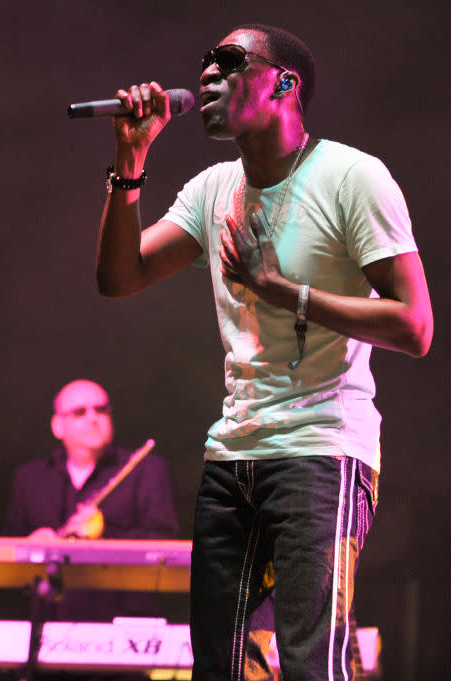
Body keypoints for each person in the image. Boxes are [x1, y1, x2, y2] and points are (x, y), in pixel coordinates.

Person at [93, 23, 432, 681]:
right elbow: (119, 277)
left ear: (284, 83)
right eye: (204, 65)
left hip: (323, 449)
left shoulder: (353, 176)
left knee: (310, 664)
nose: (207, 76)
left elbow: (416, 326)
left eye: (228, 62)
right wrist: (130, 163)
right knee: (215, 668)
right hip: (234, 454)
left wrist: (284, 291)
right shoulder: (213, 188)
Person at [4, 379, 179, 625]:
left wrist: (104, 531)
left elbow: (168, 546)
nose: (93, 418)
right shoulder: (29, 478)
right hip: (47, 621)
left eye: (101, 409)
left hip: (124, 623)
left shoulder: (147, 469)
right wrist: (29, 548)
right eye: (79, 412)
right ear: (57, 426)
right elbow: (1, 555)